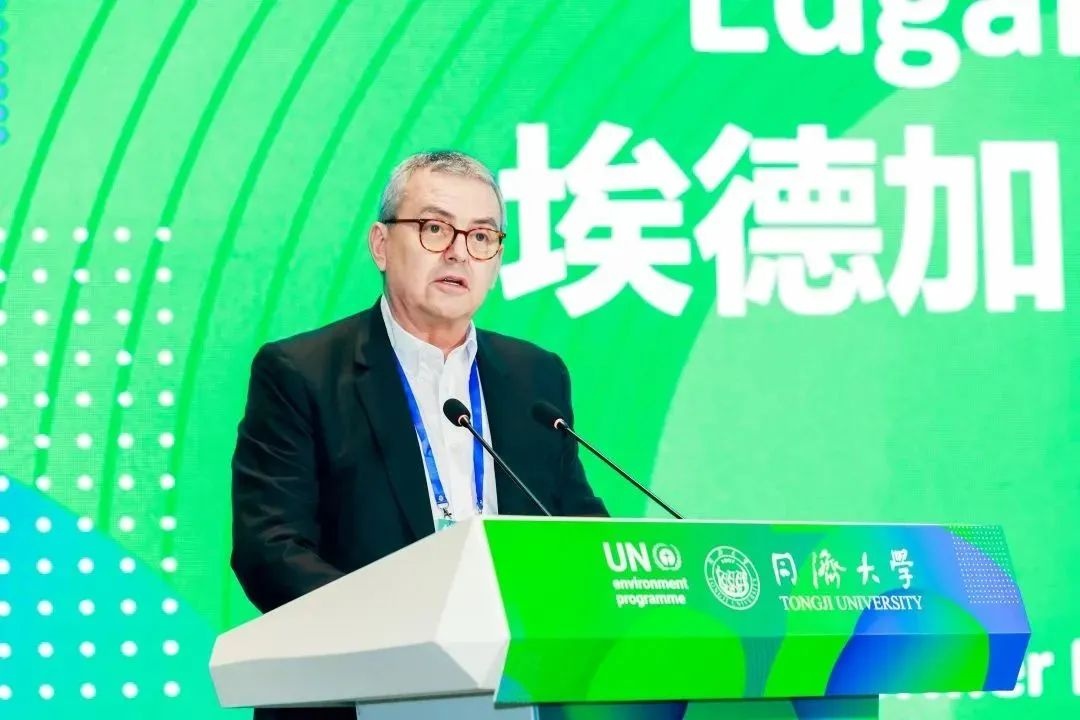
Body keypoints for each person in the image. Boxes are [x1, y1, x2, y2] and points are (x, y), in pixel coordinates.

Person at [230, 151, 607, 719]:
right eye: (435, 228)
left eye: (482, 236)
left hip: (515, 694)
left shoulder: (535, 377)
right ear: (381, 245)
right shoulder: (302, 373)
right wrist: (402, 635)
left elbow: (577, 531)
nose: (459, 252)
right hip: (357, 698)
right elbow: (270, 549)